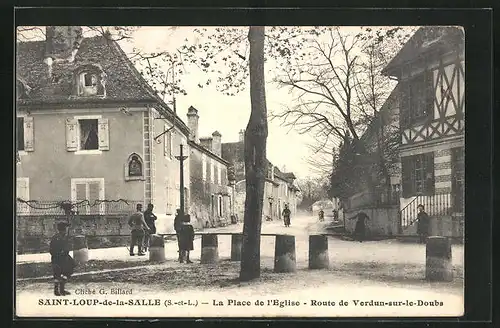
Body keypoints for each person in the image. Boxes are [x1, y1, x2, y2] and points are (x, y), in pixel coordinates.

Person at [50, 222, 75, 296]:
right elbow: (52, 250)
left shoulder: (65, 237)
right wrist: (59, 254)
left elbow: (67, 248)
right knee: (57, 274)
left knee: (68, 270)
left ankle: (62, 289)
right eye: (65, 229)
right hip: (57, 258)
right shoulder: (56, 238)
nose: (66, 230)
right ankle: (56, 291)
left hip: (65, 258)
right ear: (63, 230)